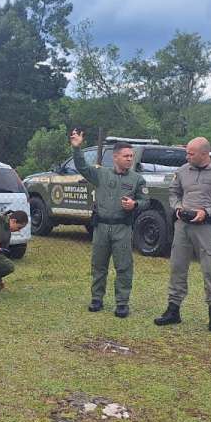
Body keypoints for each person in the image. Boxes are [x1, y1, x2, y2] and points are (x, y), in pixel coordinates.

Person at [153, 137, 211, 336]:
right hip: (183, 227)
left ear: (204, 153)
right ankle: (173, 311)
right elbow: (173, 192)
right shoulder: (183, 171)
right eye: (187, 153)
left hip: (207, 228)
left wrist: (207, 211)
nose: (187, 156)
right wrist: (177, 207)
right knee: (177, 267)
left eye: (190, 153)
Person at [70, 130, 148, 317]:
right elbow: (81, 166)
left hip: (123, 227)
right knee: (98, 265)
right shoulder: (101, 174)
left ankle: (122, 303)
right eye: (126, 156)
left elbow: (146, 202)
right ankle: (97, 299)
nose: (130, 159)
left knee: (123, 266)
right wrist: (76, 148)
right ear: (115, 157)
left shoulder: (137, 179)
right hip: (101, 227)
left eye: (131, 156)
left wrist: (134, 204)